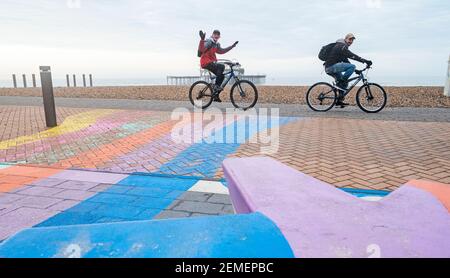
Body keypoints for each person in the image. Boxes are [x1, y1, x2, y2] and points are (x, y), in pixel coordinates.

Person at [324, 33, 372, 106]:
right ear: (345, 39)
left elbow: (346, 61)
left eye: (352, 40)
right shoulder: (341, 46)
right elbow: (352, 56)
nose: (351, 41)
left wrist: (356, 70)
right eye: (350, 39)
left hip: (330, 68)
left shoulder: (341, 47)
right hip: (331, 67)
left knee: (345, 82)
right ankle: (340, 83)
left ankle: (339, 101)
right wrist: (364, 60)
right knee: (351, 68)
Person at [198, 30, 238, 102]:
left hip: (211, 62)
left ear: (219, 37)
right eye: (215, 34)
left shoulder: (216, 44)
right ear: (212, 35)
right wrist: (202, 40)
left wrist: (232, 46)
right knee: (221, 66)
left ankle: (215, 95)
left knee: (222, 76)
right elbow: (201, 50)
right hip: (205, 62)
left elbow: (222, 51)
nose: (216, 36)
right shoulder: (209, 42)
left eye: (218, 35)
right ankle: (216, 87)